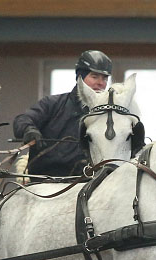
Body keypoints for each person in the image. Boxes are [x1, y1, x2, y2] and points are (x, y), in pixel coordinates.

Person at [13, 50, 113, 179]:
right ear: (80, 77)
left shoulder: (108, 115)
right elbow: (23, 119)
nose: (101, 83)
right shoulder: (52, 104)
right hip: (45, 184)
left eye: (105, 78)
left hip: (88, 186)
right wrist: (29, 129)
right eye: (94, 77)